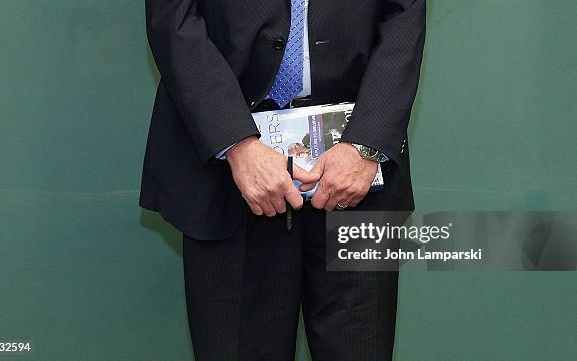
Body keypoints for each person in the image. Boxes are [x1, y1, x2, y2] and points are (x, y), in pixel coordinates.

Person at [139, 0, 426, 360]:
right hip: (229, 174)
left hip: (356, 174)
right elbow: (173, 20)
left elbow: (404, 15)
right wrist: (238, 144)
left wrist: (366, 145)